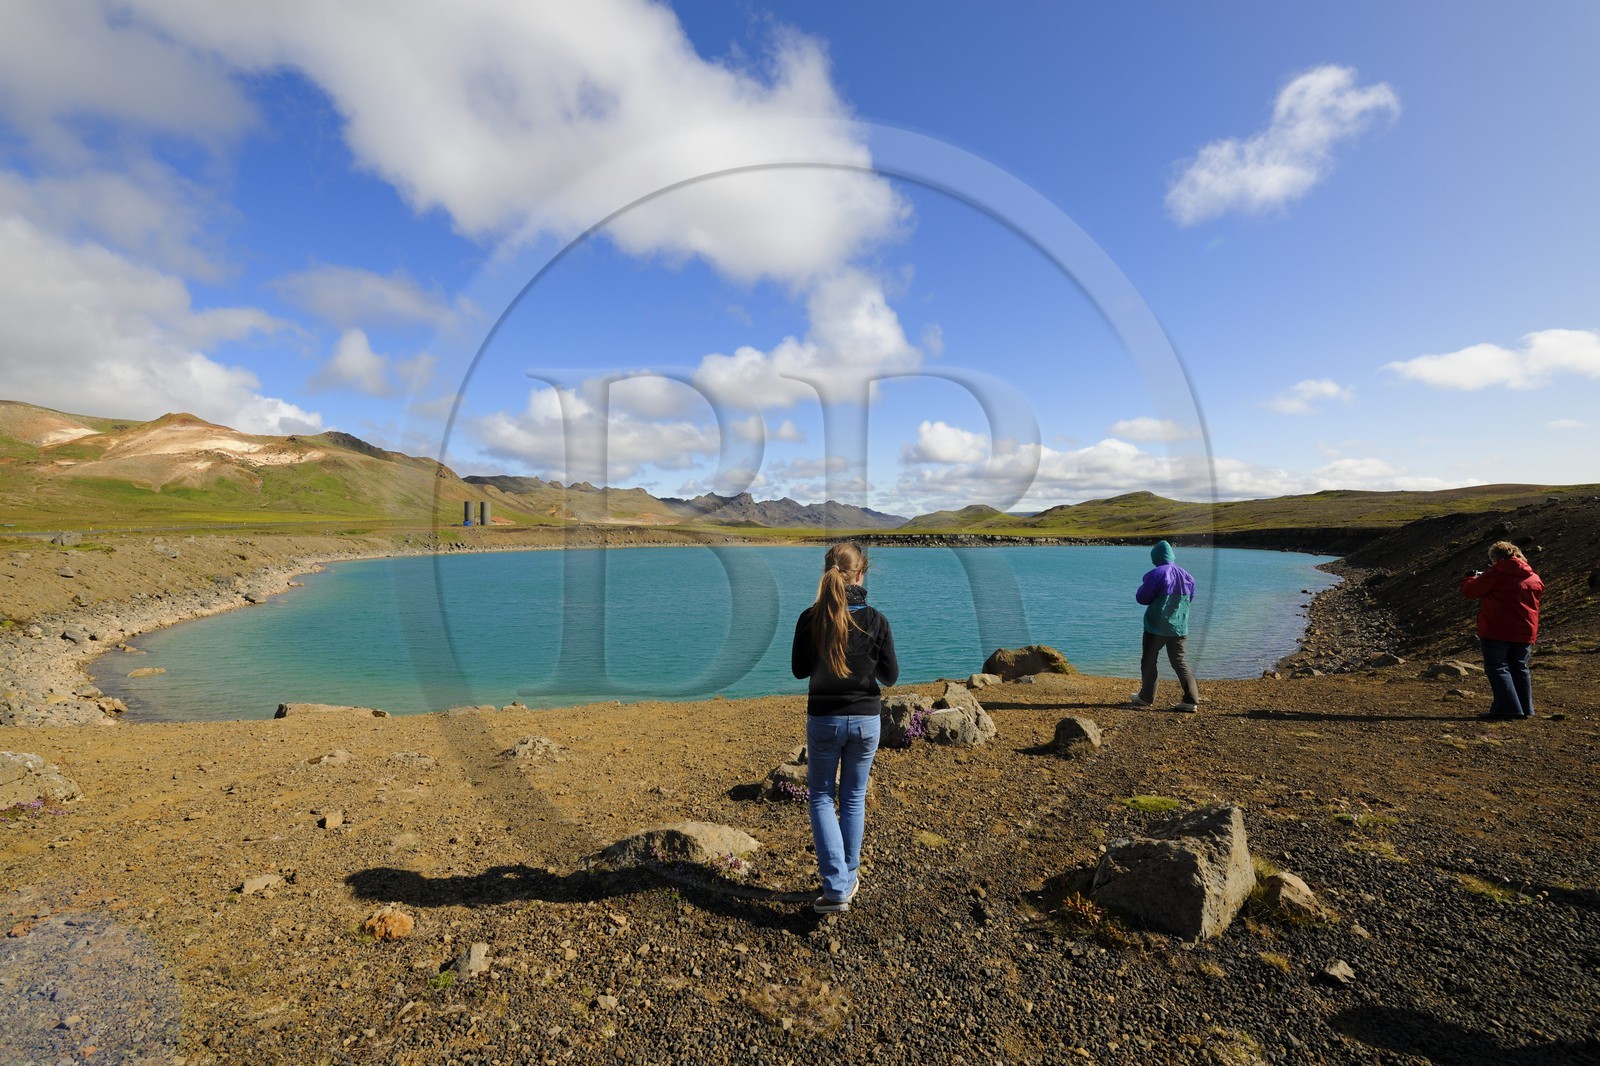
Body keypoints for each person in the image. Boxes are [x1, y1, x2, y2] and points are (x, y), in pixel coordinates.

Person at [791, 542, 898, 914]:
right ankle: (847, 877)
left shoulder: (810, 618)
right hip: (867, 720)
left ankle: (837, 886)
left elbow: (799, 670)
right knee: (852, 797)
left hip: (823, 720)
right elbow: (891, 676)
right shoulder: (877, 620)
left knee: (821, 796)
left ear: (827, 572)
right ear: (861, 574)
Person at [1460, 541, 1544, 720]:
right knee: (1520, 667)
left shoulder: (1495, 575)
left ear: (1496, 558)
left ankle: (1507, 709)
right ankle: (1525, 708)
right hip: (1525, 630)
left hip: (1496, 629)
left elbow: (1470, 591)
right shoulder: (1534, 578)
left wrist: (1470, 578)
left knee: (1497, 667)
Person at [1130, 539, 1201, 712]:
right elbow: (1189, 599)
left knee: (1149, 661)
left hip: (1156, 628)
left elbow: (1142, 598)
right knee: (1179, 661)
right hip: (1179, 628)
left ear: (1155, 556)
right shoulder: (1187, 575)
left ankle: (1146, 697)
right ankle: (1191, 700)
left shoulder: (1156, 573)